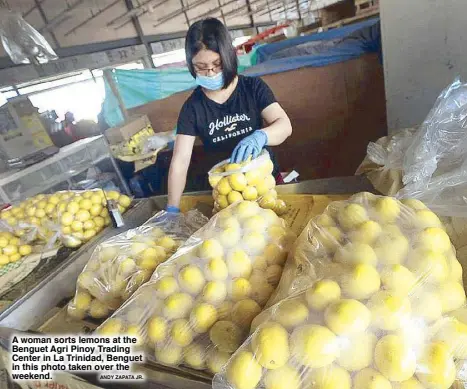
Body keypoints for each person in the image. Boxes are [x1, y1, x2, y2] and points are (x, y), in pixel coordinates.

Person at [167, 18, 292, 213]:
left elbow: (284, 125)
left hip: (265, 184)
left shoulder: (252, 88)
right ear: (191, 65)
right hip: (228, 196)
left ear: (228, 56)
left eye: (217, 64)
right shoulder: (193, 108)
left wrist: (261, 136)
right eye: (201, 66)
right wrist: (172, 208)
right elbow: (180, 161)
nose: (210, 73)